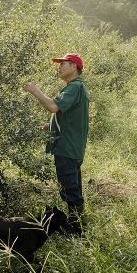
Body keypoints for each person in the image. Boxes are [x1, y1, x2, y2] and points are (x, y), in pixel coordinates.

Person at [23, 53, 90, 235]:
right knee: (73, 187)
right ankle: (79, 227)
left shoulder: (74, 87)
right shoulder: (77, 88)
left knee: (70, 190)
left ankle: (78, 231)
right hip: (72, 146)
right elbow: (70, 117)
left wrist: (33, 90)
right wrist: (49, 125)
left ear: (74, 67)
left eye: (63, 64)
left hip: (67, 148)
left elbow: (53, 107)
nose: (59, 67)